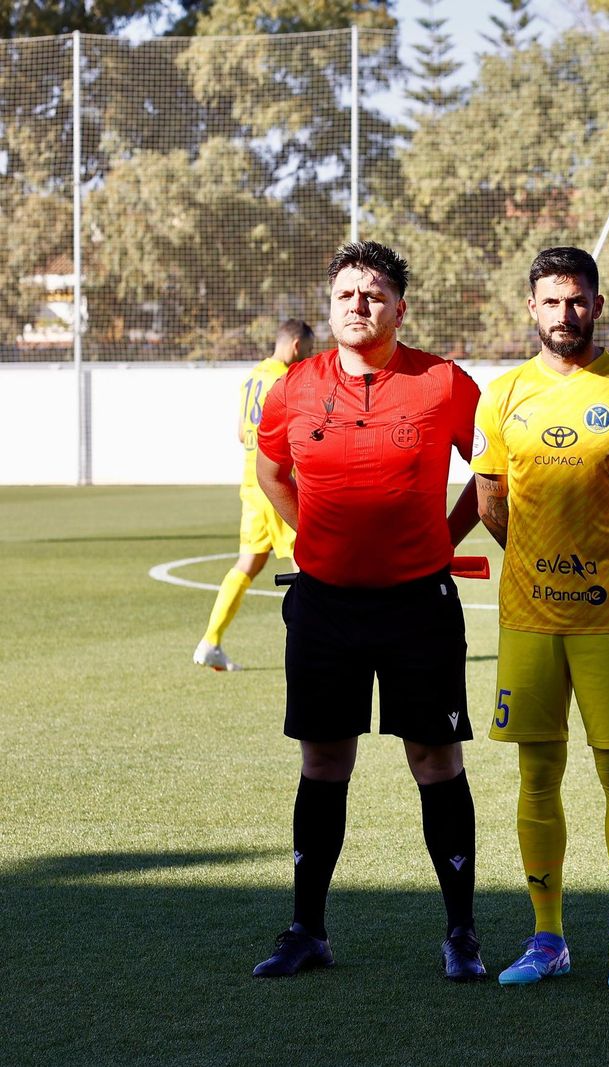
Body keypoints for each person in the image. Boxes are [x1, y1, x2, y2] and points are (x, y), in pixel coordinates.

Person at [250, 241, 487, 982]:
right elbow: (270, 469)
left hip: (419, 604)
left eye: (374, 293)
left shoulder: (445, 383)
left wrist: (440, 540)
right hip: (323, 606)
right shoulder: (292, 388)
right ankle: (307, 929)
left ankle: (462, 933)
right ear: (330, 306)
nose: (359, 304)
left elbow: (491, 471)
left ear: (399, 308)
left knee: (435, 760)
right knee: (324, 759)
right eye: (347, 293)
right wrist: (309, 534)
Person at [473, 246, 609, 992]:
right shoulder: (500, 395)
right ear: (530, 307)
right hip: (528, 618)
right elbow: (489, 503)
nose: (565, 314)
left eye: (577, 300)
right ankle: (548, 935)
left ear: (597, 304)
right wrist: (532, 559)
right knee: (538, 773)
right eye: (552, 301)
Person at [195, 319, 316, 671]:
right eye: (307, 351)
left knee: (249, 562)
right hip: (277, 485)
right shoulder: (284, 379)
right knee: (307, 561)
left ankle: (211, 641)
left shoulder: (251, 377)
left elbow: (240, 433)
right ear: (296, 345)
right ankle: (312, 648)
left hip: (251, 483)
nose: (307, 356)